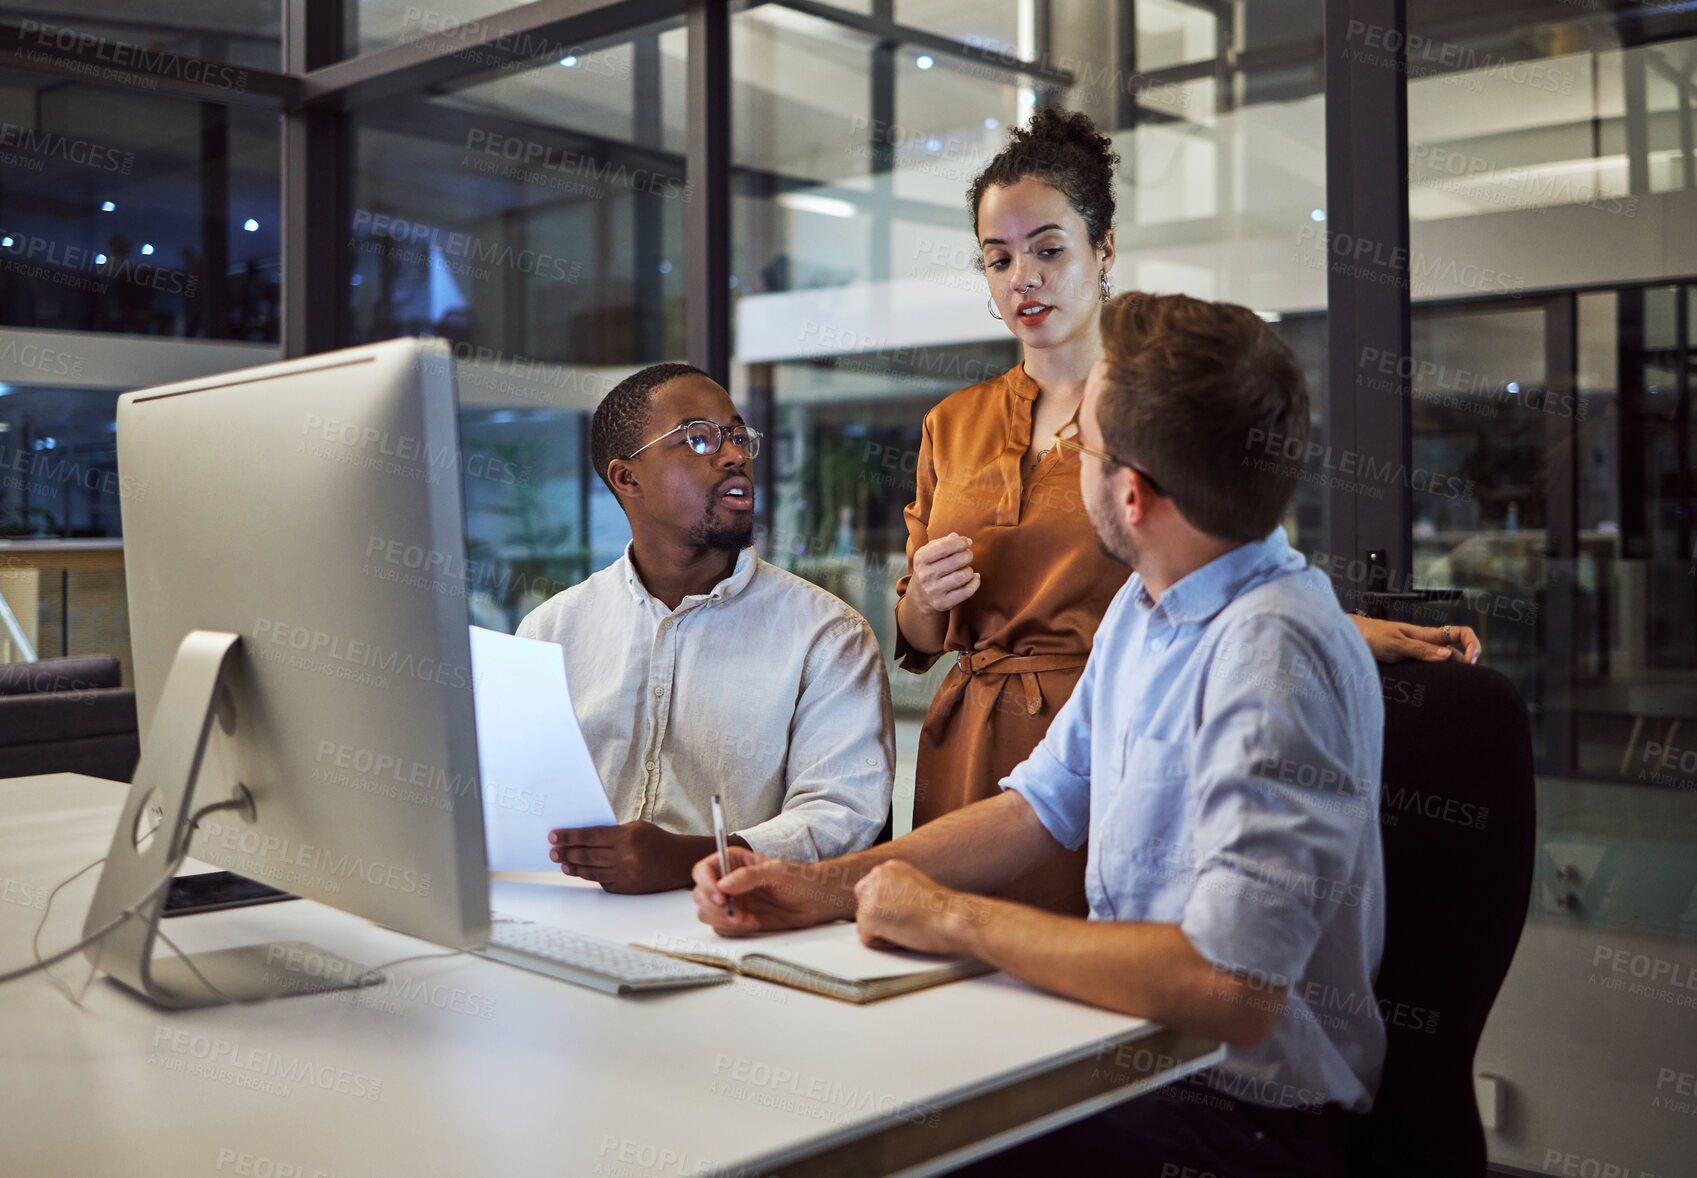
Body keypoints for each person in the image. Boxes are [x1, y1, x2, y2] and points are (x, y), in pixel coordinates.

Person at [692, 292, 1387, 1177]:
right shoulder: (1148, 608)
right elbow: (1038, 806)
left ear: (1129, 495)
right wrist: (822, 885)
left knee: (883, 1142)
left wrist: (948, 917)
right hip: (1133, 1064)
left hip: (1239, 1121)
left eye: (1084, 448)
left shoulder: (1271, 656)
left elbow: (1231, 987)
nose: (1068, 457)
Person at [895, 107, 1477, 915]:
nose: (1020, 277)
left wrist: (1335, 631)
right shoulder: (951, 423)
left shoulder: (1160, 406)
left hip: (1123, 723)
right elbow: (918, 639)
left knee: (1101, 963)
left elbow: (1233, 572)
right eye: (998, 258)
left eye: (1047, 250)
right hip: (977, 746)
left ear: (1102, 252)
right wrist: (923, 600)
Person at [516, 362, 894, 893]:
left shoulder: (827, 634)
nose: (735, 454)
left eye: (739, 437)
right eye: (699, 439)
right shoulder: (549, 631)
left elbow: (844, 815)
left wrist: (696, 860)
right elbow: (513, 798)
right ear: (628, 478)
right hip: (564, 915)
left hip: (738, 926)